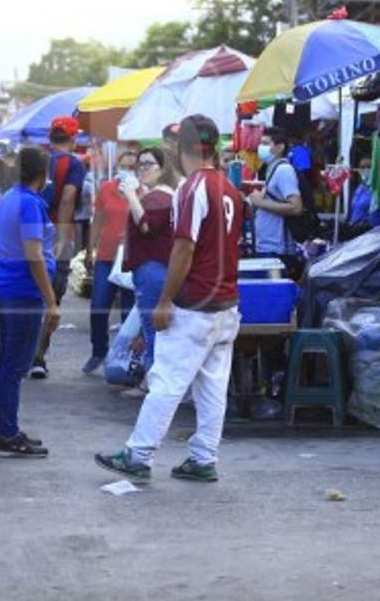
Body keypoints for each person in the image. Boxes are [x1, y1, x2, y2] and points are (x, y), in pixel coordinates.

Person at [95, 114, 243, 484]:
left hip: (195, 303)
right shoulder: (228, 188)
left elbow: (183, 248)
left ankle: (138, 454)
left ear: (182, 148)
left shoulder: (194, 188)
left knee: (166, 381)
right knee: (211, 388)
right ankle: (203, 457)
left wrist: (164, 300)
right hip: (225, 303)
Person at [0, 146, 58, 457]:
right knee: (14, 367)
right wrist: (51, 300)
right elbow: (34, 254)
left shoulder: (8, 198)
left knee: (8, 364)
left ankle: (6, 428)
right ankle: (7, 434)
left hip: (6, 288)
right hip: (21, 293)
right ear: (43, 175)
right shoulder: (29, 204)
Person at [30, 116, 85, 379]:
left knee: (31, 292)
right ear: (73, 139)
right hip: (57, 234)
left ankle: (25, 353)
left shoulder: (37, 161)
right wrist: (62, 236)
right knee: (53, 295)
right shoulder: (73, 164)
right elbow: (67, 199)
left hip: (31, 232)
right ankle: (38, 357)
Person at [119, 146, 177, 378]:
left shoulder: (159, 196)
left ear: (162, 169)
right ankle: (152, 382)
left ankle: (154, 385)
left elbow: (146, 225)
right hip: (155, 268)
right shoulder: (160, 195)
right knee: (155, 329)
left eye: (148, 164)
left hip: (152, 269)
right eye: (139, 164)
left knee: (153, 329)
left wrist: (132, 194)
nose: (142, 169)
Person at [82, 150, 137, 374]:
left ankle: (126, 358)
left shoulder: (143, 192)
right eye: (124, 166)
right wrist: (89, 250)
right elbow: (97, 221)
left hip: (132, 260)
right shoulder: (106, 189)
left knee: (128, 312)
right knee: (98, 306)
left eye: (133, 167)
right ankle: (99, 351)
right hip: (106, 256)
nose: (128, 171)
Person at [247, 127, 303, 256]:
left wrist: (260, 202)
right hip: (267, 245)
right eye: (261, 143)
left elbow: (296, 207)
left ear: (280, 147)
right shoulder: (273, 169)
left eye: (266, 143)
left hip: (276, 249)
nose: (261, 147)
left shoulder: (284, 170)